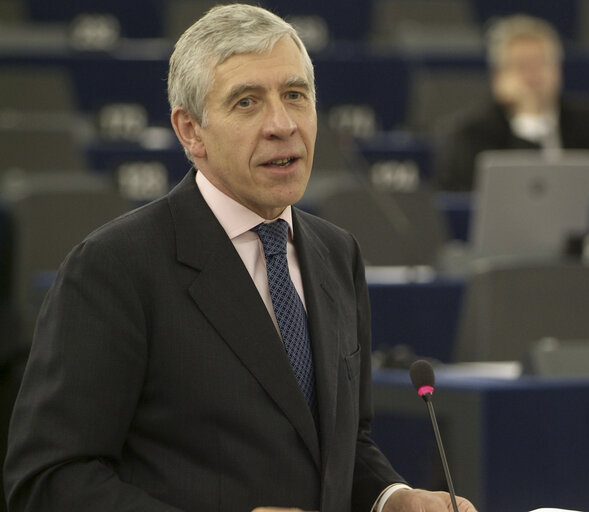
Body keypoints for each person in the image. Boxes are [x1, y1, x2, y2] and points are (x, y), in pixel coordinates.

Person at [3, 5, 477, 512]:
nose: (282, 124)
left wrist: (392, 498)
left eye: (295, 95)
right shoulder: (113, 266)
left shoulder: (337, 252)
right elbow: (48, 481)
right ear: (190, 131)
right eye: (247, 102)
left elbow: (340, 444)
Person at [433, 14, 589, 191]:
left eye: (540, 62)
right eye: (521, 65)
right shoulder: (470, 132)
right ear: (498, 77)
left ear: (558, 70)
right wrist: (528, 117)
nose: (533, 75)